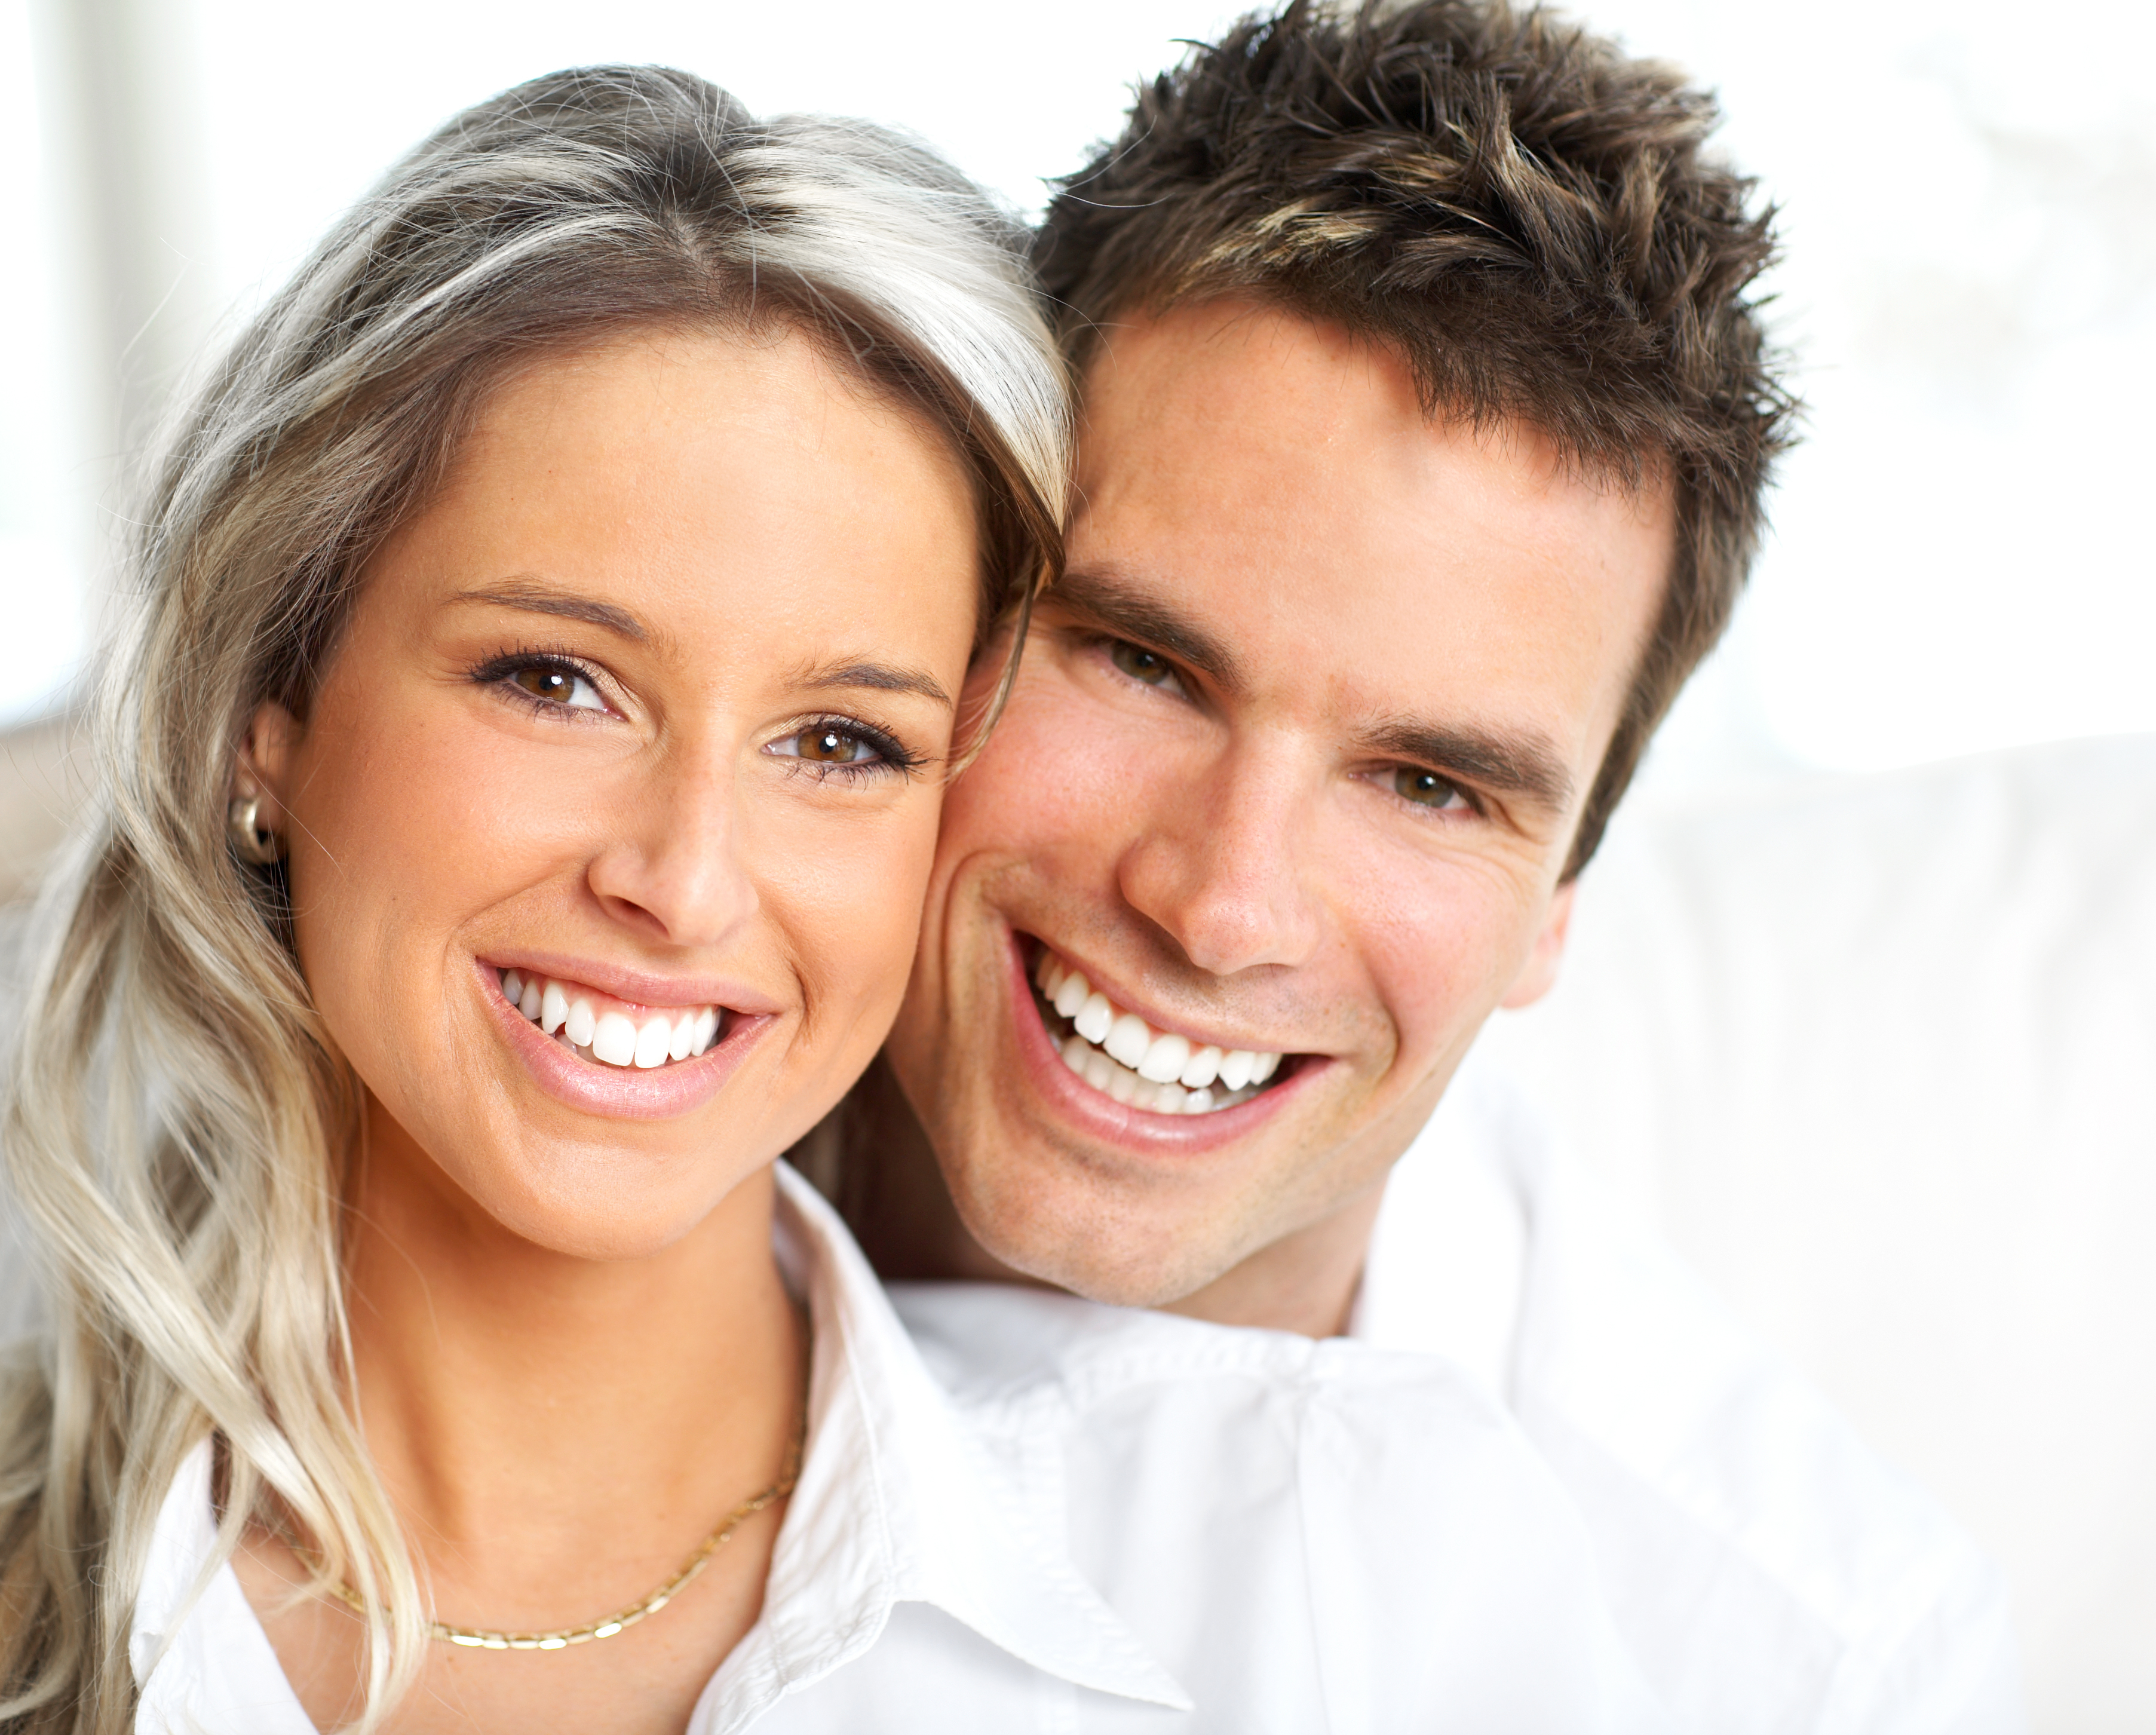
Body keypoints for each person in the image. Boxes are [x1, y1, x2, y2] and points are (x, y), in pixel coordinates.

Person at [0, 63, 1666, 1735]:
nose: (678, 878)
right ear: (266, 714)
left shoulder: (1353, 1582)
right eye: (554, 680)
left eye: (840, 740)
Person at [836, 4, 2030, 1730]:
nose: (1220, 904)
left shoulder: (1797, 1660)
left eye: (1429, 785)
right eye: (1143, 663)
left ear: (1559, 903)